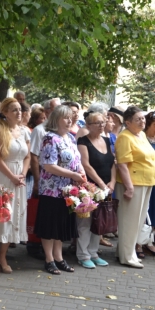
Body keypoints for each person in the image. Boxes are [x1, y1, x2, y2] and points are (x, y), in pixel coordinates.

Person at [34, 105, 86, 275]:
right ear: (56, 119)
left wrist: (81, 173)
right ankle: (49, 259)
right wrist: (74, 174)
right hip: (52, 190)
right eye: (66, 117)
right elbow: (49, 166)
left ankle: (59, 257)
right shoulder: (50, 138)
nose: (70, 120)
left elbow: (76, 160)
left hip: (67, 191)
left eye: (71, 117)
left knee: (60, 226)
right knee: (50, 226)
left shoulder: (70, 138)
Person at [0, 98, 30, 274]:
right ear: (4, 113)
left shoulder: (25, 131)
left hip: (19, 177)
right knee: (0, 215)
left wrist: (23, 174)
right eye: (14, 110)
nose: (18, 113)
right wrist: (11, 176)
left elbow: (28, 156)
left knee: (16, 215)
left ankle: (3, 254)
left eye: (20, 109)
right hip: (4, 176)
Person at [115, 106, 155, 268]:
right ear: (128, 122)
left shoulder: (142, 135)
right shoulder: (125, 137)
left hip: (146, 181)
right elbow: (123, 164)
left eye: (143, 118)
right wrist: (129, 187)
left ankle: (127, 251)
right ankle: (127, 256)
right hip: (133, 183)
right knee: (129, 221)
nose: (142, 121)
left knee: (138, 221)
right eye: (138, 119)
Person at [76, 112, 115, 269]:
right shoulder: (83, 141)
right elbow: (86, 165)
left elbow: (113, 163)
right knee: (85, 222)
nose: (101, 125)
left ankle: (94, 252)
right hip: (90, 187)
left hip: (107, 188)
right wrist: (101, 184)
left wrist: (111, 182)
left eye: (103, 122)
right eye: (97, 122)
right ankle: (83, 254)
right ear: (88, 125)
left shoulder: (106, 140)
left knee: (100, 221)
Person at [30, 98, 60, 198]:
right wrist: (37, 181)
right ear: (47, 112)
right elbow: (33, 157)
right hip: (45, 179)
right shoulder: (39, 130)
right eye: (57, 109)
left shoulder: (61, 130)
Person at [144, 111, 155, 255]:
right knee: (147, 211)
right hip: (146, 179)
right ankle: (143, 241)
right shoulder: (142, 139)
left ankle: (151, 239)